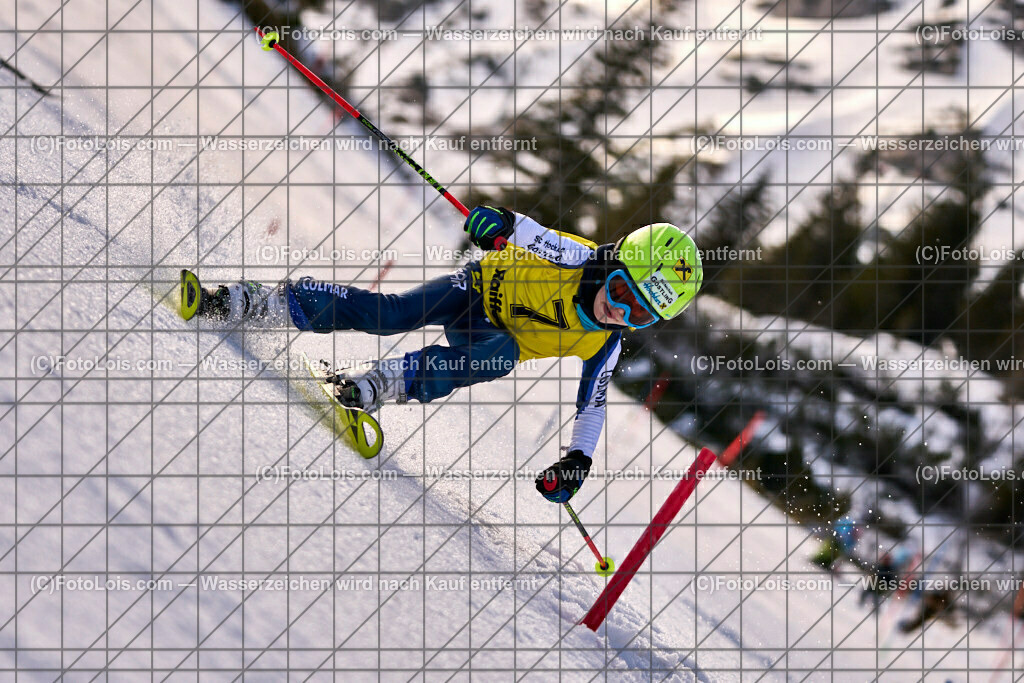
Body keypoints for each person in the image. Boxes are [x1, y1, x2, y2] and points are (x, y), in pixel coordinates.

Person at [179, 206, 703, 503]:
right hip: (473, 290)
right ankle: (256, 302)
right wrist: (495, 223)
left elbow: (592, 407)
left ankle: (382, 384)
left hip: (487, 342)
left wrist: (577, 461)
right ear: (610, 265)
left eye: (639, 315)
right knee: (391, 315)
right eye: (620, 292)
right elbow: (529, 233)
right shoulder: (576, 258)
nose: (619, 312)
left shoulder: (603, 342)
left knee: (498, 354)